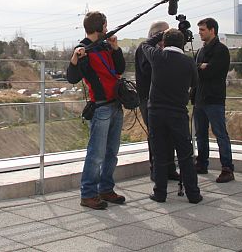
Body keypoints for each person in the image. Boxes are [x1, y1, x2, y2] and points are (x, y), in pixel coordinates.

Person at [66, 11, 126, 209]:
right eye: (106, 26)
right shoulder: (83, 49)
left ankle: (106, 189)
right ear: (99, 27)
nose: (107, 29)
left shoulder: (106, 45)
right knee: (96, 153)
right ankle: (88, 194)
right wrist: (75, 58)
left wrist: (116, 49)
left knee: (112, 152)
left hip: (116, 104)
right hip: (100, 107)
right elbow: (72, 77)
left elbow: (119, 69)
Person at [140, 28, 202, 203]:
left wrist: (161, 34)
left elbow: (145, 44)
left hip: (156, 112)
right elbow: (194, 83)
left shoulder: (158, 57)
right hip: (178, 112)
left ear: (164, 42)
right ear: (182, 43)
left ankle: (160, 193)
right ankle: (193, 194)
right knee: (185, 154)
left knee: (159, 153)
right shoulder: (189, 62)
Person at [135, 20, 179, 182]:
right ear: (158, 35)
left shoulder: (162, 51)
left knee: (169, 135)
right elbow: (148, 70)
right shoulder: (144, 49)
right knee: (155, 136)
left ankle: (170, 169)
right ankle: (156, 170)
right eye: (165, 34)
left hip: (163, 99)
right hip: (148, 98)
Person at [192, 17, 234, 183]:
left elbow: (211, 72)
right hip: (200, 99)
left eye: (202, 30)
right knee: (200, 134)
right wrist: (200, 66)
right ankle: (202, 163)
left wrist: (202, 68)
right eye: (199, 30)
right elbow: (197, 72)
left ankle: (227, 168)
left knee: (220, 134)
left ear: (212, 30)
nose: (200, 33)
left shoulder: (221, 50)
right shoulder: (201, 51)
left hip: (214, 99)